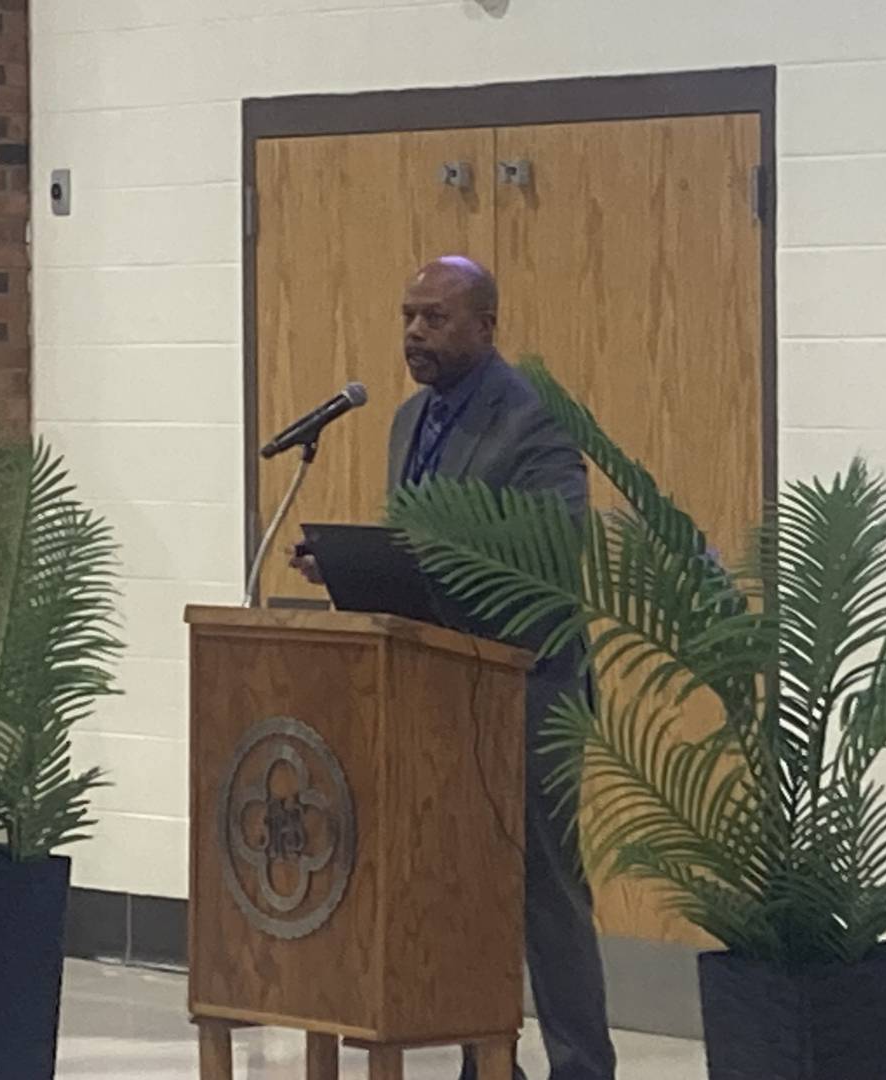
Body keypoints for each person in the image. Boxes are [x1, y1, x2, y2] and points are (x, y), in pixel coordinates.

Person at [290, 257, 617, 1080]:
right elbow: (411, 552)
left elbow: (552, 549)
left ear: (485, 326)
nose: (415, 333)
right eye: (408, 316)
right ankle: (487, 1061)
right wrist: (347, 566)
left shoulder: (534, 420)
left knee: (544, 887)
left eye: (434, 318)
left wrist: (430, 560)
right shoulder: (408, 421)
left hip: (527, 685)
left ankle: (583, 1066)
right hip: (438, 687)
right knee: (465, 884)